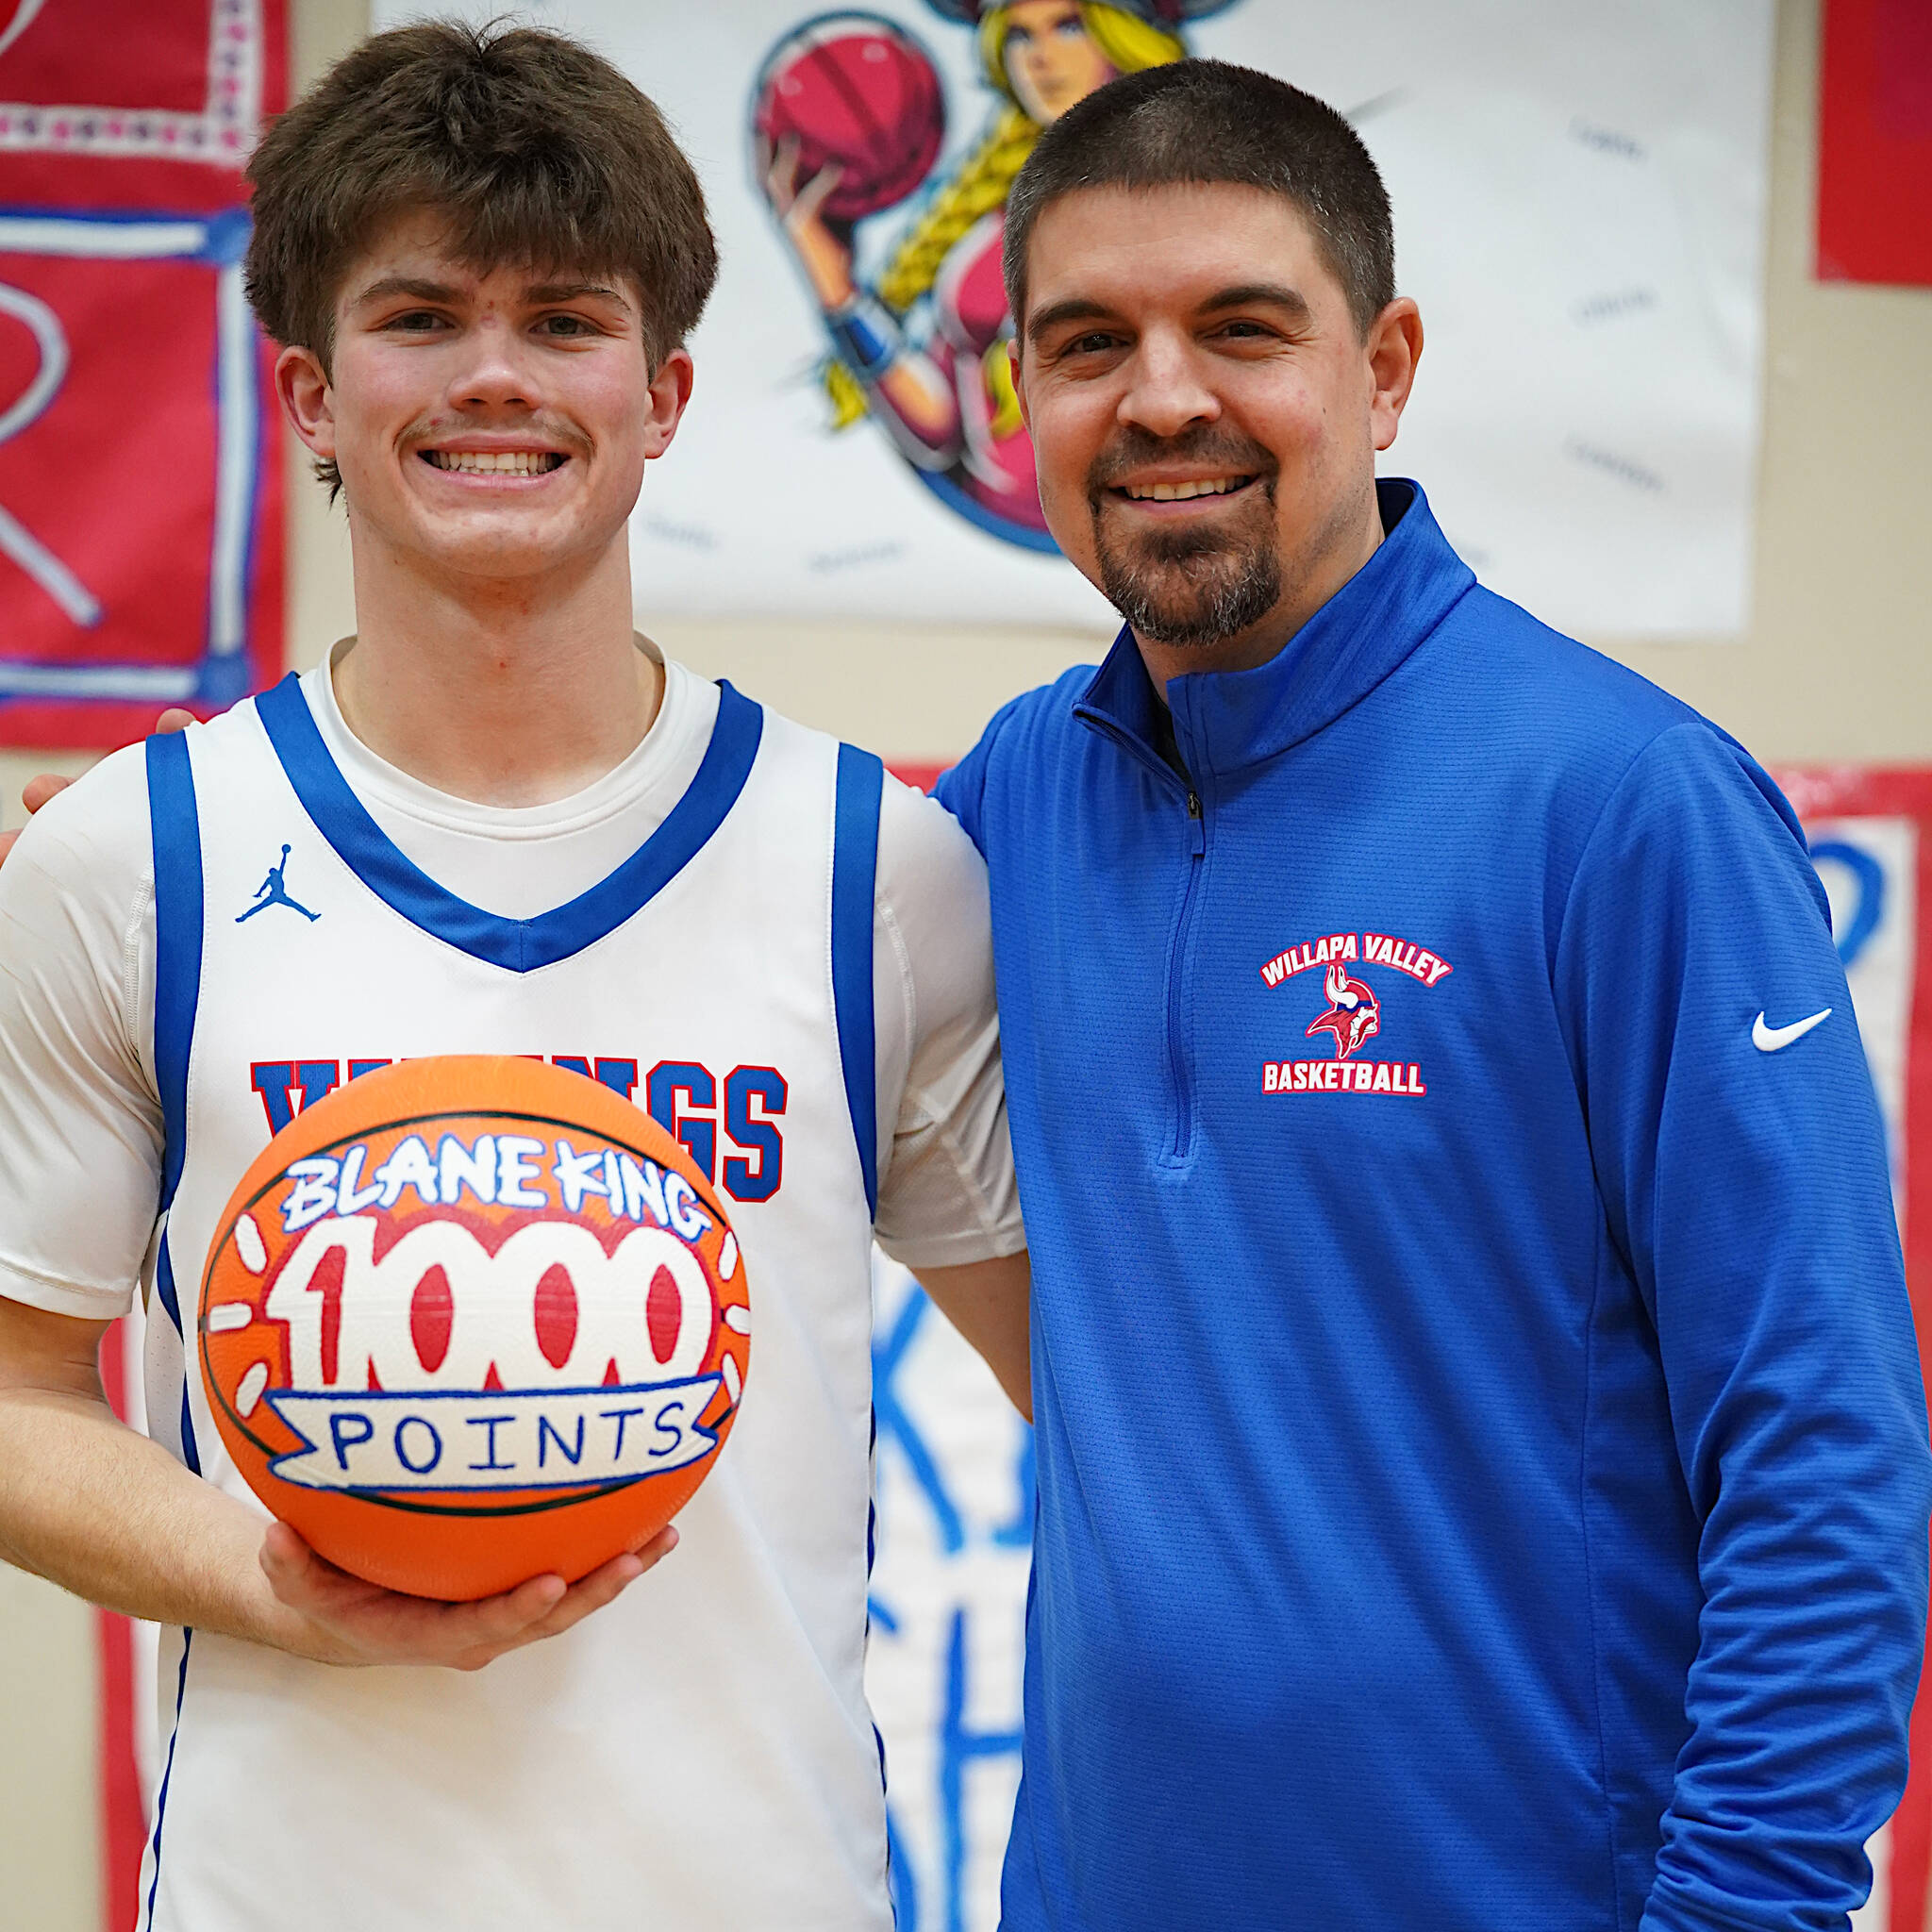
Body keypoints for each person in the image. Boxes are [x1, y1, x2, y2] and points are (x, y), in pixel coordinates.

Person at [0, 24, 1027, 1932]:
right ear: (309, 393)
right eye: (420, 317)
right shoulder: (134, 859)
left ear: (666, 392)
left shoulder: (872, 867)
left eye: (564, 320)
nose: (493, 376)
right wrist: (268, 1578)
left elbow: (1106, 1389)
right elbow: (13, 1397)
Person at [930, 59, 1932, 1931]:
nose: (1162, 399)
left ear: (1383, 367)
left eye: (1241, 328)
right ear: (1023, 398)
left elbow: (1823, 1456)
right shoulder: (1010, 805)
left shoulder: (1623, 804)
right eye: (1085, 342)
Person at [759, 0, 1212, 550]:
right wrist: (838, 292)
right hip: (1004, 516)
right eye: (1020, 37)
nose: (1040, 59)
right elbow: (940, 426)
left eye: (1066, 27)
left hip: (1150, 540)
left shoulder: (1203, 203)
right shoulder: (1000, 211)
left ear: (1125, 35)